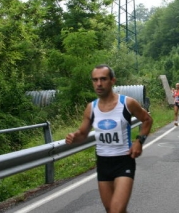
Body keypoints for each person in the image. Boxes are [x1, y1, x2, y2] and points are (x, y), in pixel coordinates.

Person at [65, 64, 153, 213]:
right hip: (103, 162)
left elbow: (147, 120)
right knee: (110, 209)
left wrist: (139, 141)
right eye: (95, 80)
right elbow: (83, 133)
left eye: (103, 79)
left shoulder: (127, 103)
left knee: (116, 210)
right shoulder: (91, 108)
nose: (99, 83)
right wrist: (74, 136)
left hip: (124, 160)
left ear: (112, 81)